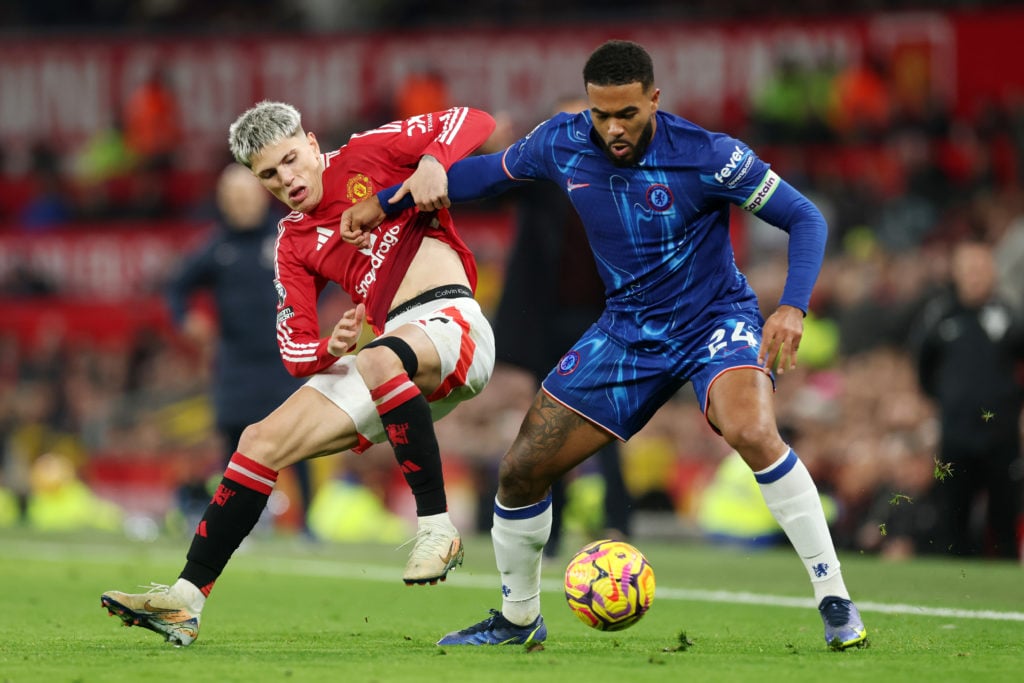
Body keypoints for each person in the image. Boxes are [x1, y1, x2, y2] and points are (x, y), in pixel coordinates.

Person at [342, 40, 868, 650]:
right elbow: (482, 176)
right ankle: (518, 619)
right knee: (518, 473)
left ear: (654, 99)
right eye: (601, 115)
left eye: (627, 114)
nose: (613, 129)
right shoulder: (561, 141)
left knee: (750, 429)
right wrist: (388, 200)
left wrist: (793, 306)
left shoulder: (709, 156)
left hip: (714, 321)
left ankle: (834, 599)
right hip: (625, 331)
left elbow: (806, 218)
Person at [100, 101, 497, 647]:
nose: (286, 179)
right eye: (268, 174)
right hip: (395, 358)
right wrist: (326, 348)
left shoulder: (368, 152)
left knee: (379, 356)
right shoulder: (292, 241)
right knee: (258, 440)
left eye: (290, 160)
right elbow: (294, 347)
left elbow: (472, 120)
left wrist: (433, 162)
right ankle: (185, 600)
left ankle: (436, 528)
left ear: (312, 143)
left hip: (453, 324)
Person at [492, 95, 631, 556]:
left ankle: (617, 522)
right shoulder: (542, 175)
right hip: (548, 321)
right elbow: (496, 183)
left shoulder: (620, 176)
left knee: (605, 421)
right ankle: (550, 530)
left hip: (603, 318)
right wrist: (496, 147)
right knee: (548, 425)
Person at [164, 163, 308, 532]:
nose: (240, 204)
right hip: (236, 365)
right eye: (232, 198)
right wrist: (186, 319)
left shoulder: (286, 235)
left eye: (246, 195)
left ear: (262, 195)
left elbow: (326, 267)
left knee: (303, 442)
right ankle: (238, 526)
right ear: (223, 203)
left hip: (285, 358)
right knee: (237, 446)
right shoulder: (216, 247)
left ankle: (306, 524)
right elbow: (176, 287)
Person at [913, 239, 1024, 559]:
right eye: (969, 269)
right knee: (953, 515)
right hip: (955, 433)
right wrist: (946, 401)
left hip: (1001, 435)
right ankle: (956, 588)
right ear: (956, 273)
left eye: (982, 268)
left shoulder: (1010, 316)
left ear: (993, 272)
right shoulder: (940, 317)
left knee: (1003, 515)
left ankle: (1004, 586)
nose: (976, 276)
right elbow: (923, 367)